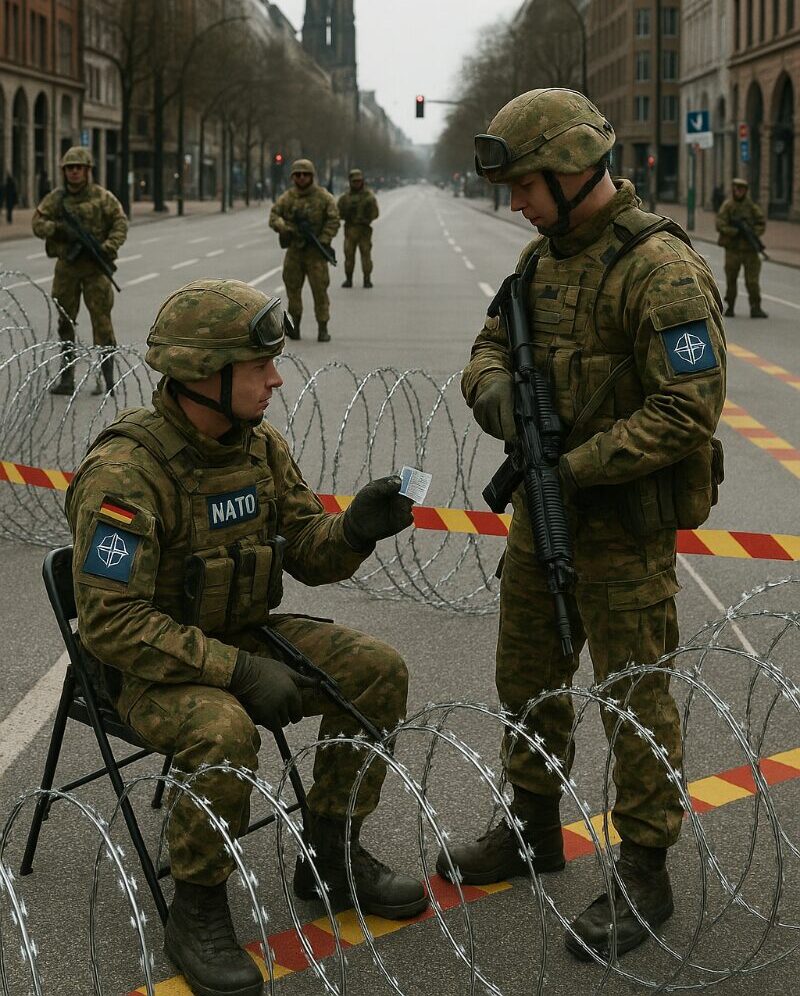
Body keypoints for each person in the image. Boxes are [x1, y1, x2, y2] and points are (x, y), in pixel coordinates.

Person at [65, 278, 428, 996]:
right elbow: (112, 623)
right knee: (226, 730)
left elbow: (306, 550)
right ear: (207, 374)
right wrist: (236, 670)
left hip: (240, 635)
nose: (276, 378)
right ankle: (196, 908)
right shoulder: (127, 472)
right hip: (147, 670)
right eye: (260, 366)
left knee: (377, 670)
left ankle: (331, 850)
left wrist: (353, 528)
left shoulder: (257, 449)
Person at [437, 88, 726, 962]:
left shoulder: (659, 268)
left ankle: (645, 868)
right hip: (542, 520)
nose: (515, 202)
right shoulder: (538, 262)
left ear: (568, 171)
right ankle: (531, 825)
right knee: (527, 674)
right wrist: (506, 407)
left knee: (633, 696)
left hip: (622, 529)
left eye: (525, 184)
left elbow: (689, 407)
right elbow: (486, 352)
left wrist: (574, 465)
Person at [32, 146, 128, 396]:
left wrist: (108, 246)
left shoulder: (102, 197)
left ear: (87, 171)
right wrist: (58, 230)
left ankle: (109, 380)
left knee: (103, 324)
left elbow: (120, 222)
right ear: (64, 172)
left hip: (95, 269)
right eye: (70, 168)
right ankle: (67, 379)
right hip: (67, 269)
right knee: (65, 322)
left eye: (79, 168)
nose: (74, 172)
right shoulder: (56, 198)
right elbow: (37, 223)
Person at [268, 158, 339, 342]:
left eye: (305, 174)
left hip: (315, 252)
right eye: (297, 175)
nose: (301, 178)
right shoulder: (287, 198)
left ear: (312, 176)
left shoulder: (324, 197)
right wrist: (282, 227)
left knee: (320, 291)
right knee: (293, 291)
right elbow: (274, 216)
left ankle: (322, 328)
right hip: (295, 251)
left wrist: (323, 239)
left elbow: (333, 220)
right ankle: (295, 327)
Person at [716, 177, 768, 318]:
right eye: (736, 189)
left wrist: (752, 233)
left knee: (752, 281)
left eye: (741, 189)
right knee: (731, 279)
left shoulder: (751, 207)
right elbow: (720, 224)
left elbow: (761, 222)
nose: (738, 191)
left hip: (749, 251)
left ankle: (755, 307)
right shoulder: (728, 206)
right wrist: (734, 232)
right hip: (733, 250)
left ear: (745, 191)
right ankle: (730, 306)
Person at [337, 168, 379, 288]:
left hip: (364, 230)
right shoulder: (345, 198)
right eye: (354, 181)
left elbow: (375, 213)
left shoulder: (369, 197)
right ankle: (348, 279)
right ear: (350, 182)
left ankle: (367, 279)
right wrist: (346, 214)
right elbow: (337, 213)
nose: (357, 183)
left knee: (366, 256)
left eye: (359, 181)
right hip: (350, 230)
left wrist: (366, 218)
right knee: (349, 256)